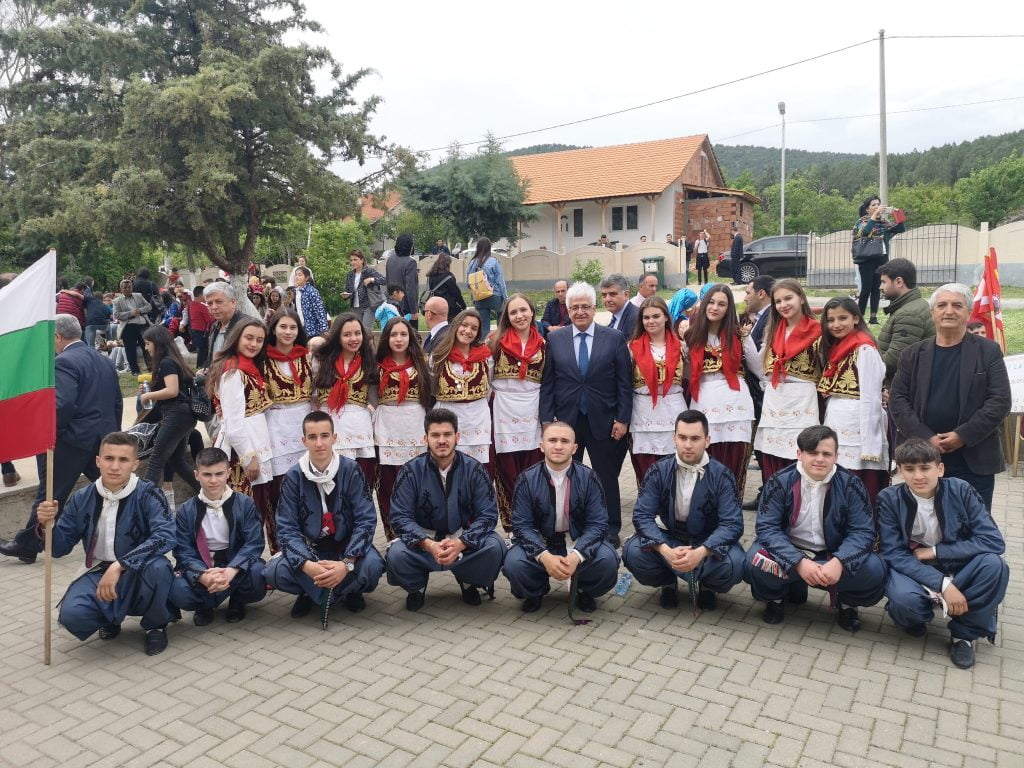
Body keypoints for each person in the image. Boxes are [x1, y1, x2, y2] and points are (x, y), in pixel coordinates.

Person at [34, 431, 175, 655]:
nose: (115, 466)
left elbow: (165, 535)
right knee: (72, 615)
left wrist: (120, 565)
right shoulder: (82, 497)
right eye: (109, 458)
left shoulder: (149, 494)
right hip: (98, 569)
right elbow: (60, 548)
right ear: (98, 461)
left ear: (135, 464)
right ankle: (110, 618)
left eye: (123, 460)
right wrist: (47, 525)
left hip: (140, 570)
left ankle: (155, 625)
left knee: (159, 568)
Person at [0, 315, 124, 564]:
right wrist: (113, 435)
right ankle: (135, 528)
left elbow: (62, 405)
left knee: (51, 494)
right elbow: (117, 402)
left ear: (56, 336)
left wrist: (53, 434)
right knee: (114, 488)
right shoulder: (103, 360)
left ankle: (28, 545)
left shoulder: (63, 362)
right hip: (102, 438)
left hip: (72, 440)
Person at [878, 438, 1009, 669]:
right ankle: (914, 616)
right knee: (905, 603)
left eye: (925, 468)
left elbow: (993, 541)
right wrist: (944, 585)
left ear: (940, 469)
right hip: (915, 567)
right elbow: (893, 553)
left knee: (994, 565)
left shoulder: (961, 490)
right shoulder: (889, 498)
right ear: (900, 471)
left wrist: (935, 551)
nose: (918, 476)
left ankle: (964, 635)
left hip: (958, 563)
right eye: (909, 469)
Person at [743, 425, 886, 630]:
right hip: (791, 551)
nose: (820, 459)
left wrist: (840, 562)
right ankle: (776, 598)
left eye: (826, 454)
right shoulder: (779, 481)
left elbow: (863, 532)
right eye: (812, 452)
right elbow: (767, 529)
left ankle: (847, 604)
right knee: (755, 560)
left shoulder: (852, 485)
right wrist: (798, 562)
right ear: (799, 454)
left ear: (836, 456)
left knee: (874, 569)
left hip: (832, 554)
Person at [889, 283, 1011, 510]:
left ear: (968, 312)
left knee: (972, 521)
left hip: (973, 457)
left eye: (957, 305)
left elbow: (1000, 401)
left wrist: (962, 435)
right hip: (922, 458)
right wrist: (926, 438)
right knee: (923, 519)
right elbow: (898, 400)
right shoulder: (912, 354)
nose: (949, 311)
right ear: (932, 312)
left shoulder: (988, 351)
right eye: (942, 305)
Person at [266, 411, 385, 619]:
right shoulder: (293, 476)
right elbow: (286, 528)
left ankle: (340, 590)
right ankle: (311, 591)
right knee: (273, 571)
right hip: (310, 550)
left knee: (373, 566)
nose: (319, 443)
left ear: (334, 438)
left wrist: (346, 563)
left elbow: (366, 520)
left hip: (345, 548)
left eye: (324, 436)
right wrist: (307, 565)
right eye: (312, 437)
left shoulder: (351, 470)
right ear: (304, 441)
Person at [539, 282, 633, 546]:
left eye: (585, 307)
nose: (580, 312)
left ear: (594, 308)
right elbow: (548, 383)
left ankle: (611, 528)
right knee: (566, 477)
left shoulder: (613, 338)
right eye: (574, 307)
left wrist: (623, 419)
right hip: (566, 421)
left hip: (604, 420)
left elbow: (624, 383)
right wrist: (547, 420)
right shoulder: (555, 339)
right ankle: (570, 526)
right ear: (568, 310)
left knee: (606, 477)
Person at [385, 408, 506, 611]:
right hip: (423, 541)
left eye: (447, 434)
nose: (441, 440)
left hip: (462, 539)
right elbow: (399, 517)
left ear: (457, 436)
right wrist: (428, 545)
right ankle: (417, 587)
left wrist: (461, 543)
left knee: (495, 547)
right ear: (426, 438)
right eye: (435, 435)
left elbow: (488, 514)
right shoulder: (410, 471)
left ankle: (468, 581)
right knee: (396, 554)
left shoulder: (474, 469)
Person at [623, 411, 745, 611]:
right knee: (633, 552)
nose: (688, 445)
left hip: (706, 539)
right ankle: (668, 582)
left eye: (695, 438)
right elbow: (642, 516)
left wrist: (701, 552)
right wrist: (665, 550)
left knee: (736, 563)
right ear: (674, 439)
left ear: (707, 440)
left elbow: (733, 524)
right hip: (669, 537)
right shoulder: (658, 470)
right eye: (682, 438)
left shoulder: (723, 475)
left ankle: (708, 586)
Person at [502, 421, 619, 614]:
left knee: (608, 560)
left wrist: (577, 556)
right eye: (552, 440)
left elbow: (598, 525)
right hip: (541, 541)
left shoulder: (589, 478)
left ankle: (583, 590)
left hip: (577, 540)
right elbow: (521, 526)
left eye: (565, 441)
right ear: (542, 446)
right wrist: (544, 556)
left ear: (574, 448)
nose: (558, 446)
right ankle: (535, 590)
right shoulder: (526, 479)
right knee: (514, 563)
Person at [170, 447, 267, 626]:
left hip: (235, 562)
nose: (213, 480)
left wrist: (231, 570)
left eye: (219, 474)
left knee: (258, 574)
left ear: (228, 473)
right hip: (204, 564)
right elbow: (183, 551)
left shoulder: (245, 503)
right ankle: (205, 604)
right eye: (207, 475)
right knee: (177, 590)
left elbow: (254, 542)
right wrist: (202, 575)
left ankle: (237, 600)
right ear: (197, 475)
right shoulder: (186, 510)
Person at [745, 279, 822, 481]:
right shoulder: (773, 330)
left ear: (801, 298)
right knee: (773, 457)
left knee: (801, 454)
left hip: (803, 401)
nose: (783, 305)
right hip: (775, 400)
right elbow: (762, 366)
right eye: (778, 301)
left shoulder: (818, 331)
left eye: (788, 298)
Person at [684, 284, 756, 496]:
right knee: (704, 463)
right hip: (704, 401)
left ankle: (731, 509)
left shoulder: (741, 336)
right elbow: (686, 373)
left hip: (736, 404)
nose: (715, 308)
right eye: (712, 302)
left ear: (728, 308)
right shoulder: (691, 336)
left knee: (734, 463)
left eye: (722, 304)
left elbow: (759, 370)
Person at [817, 298, 889, 506]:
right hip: (838, 418)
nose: (836, 325)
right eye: (830, 320)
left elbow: (871, 397)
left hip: (858, 423)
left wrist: (870, 443)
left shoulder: (864, 348)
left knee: (858, 482)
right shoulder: (838, 347)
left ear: (856, 318)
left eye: (842, 318)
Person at [205, 318, 274, 536]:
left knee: (256, 510)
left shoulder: (248, 367)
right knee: (245, 513)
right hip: (242, 451)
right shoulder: (233, 372)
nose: (254, 344)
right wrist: (248, 457)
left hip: (255, 443)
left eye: (259, 340)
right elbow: (234, 423)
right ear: (237, 338)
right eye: (249, 338)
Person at [490, 294, 546, 531]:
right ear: (507, 317)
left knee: (533, 470)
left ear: (532, 311)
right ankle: (512, 527)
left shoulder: (544, 344)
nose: (519, 316)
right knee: (507, 471)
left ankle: (534, 525)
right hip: (503, 410)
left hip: (533, 409)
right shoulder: (495, 343)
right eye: (513, 312)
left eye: (523, 310)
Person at [374, 317, 432, 539]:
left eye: (403, 334)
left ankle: (420, 534)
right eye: (393, 335)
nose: (398, 339)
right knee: (388, 485)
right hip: (387, 428)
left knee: (417, 482)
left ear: (410, 338)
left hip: (416, 427)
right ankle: (393, 536)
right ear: (386, 338)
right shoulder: (376, 367)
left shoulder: (421, 364)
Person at [263, 307, 313, 546]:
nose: (288, 332)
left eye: (293, 327)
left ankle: (311, 544)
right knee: (279, 490)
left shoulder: (308, 357)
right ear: (273, 329)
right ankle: (280, 547)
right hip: (276, 429)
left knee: (308, 488)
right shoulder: (262, 360)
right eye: (283, 326)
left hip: (304, 427)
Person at [312, 313, 378, 488]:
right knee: (330, 483)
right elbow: (311, 394)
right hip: (330, 424)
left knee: (360, 482)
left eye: (357, 333)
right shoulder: (321, 360)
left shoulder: (369, 361)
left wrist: (368, 413)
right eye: (347, 334)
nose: (354, 339)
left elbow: (374, 397)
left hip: (359, 427)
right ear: (337, 336)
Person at [139, 325, 201, 507]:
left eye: (148, 343)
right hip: (182, 416)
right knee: (177, 461)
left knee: (156, 460)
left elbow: (172, 390)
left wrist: (148, 396)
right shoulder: (173, 361)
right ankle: (209, 494)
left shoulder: (166, 363)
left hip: (176, 416)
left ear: (157, 343)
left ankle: (141, 504)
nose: (146, 348)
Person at [627, 296, 686, 485]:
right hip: (643, 411)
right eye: (646, 317)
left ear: (666, 317)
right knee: (647, 468)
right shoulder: (632, 348)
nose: (651, 321)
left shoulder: (681, 347)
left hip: (674, 408)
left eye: (656, 316)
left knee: (676, 465)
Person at [431, 308, 493, 468]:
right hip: (448, 417)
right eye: (464, 325)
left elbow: (489, 386)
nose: (468, 331)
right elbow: (431, 389)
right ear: (456, 325)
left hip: (477, 418)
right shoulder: (438, 356)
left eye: (474, 328)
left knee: (477, 467)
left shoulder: (485, 357)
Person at [740, 276, 775, 510]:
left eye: (748, 292)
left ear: (761, 293)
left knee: (764, 448)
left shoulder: (771, 317)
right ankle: (766, 492)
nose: (745, 297)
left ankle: (769, 494)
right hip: (759, 392)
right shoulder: (760, 317)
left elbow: (762, 363)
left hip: (763, 392)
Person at [875, 259, 934, 385]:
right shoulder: (913, 305)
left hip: (903, 385)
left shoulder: (909, 314)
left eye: (883, 282)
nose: (880, 287)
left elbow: (895, 359)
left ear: (899, 282)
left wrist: (867, 368)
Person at [852, 195, 906, 324]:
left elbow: (901, 229)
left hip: (881, 258)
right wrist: (875, 215)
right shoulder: (862, 221)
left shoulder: (883, 222)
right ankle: (860, 316)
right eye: (873, 205)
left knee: (877, 288)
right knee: (866, 289)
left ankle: (873, 317)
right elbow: (865, 232)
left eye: (878, 204)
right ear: (867, 209)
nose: (877, 206)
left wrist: (897, 214)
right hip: (866, 259)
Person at [466, 237, 508, 336]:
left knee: (483, 326)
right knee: (501, 315)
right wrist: (506, 298)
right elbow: (500, 282)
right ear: (489, 248)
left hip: (479, 297)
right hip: (494, 296)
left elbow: (468, 284)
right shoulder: (494, 261)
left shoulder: (472, 263)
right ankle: (500, 338)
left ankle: (484, 343)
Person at [112, 279, 152, 375]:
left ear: (132, 288)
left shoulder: (139, 296)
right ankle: (135, 370)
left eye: (129, 287)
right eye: (124, 288)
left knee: (147, 347)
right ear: (121, 289)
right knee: (130, 349)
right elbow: (116, 315)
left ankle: (151, 367)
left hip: (142, 325)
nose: (127, 289)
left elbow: (149, 306)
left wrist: (140, 310)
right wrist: (130, 313)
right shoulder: (117, 301)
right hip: (128, 326)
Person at [343, 249, 386, 332]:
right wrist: (345, 295)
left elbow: (384, 280)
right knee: (357, 331)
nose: (352, 262)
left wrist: (372, 279)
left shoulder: (369, 271)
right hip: (355, 308)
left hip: (368, 306)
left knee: (366, 331)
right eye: (351, 260)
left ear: (362, 260)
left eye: (355, 260)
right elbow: (347, 290)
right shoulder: (350, 275)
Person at [204, 282, 247, 364]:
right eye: (210, 303)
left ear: (233, 303)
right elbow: (211, 357)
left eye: (219, 302)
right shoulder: (215, 326)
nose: (214, 307)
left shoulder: (246, 326)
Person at [385, 233, 420, 323]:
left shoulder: (390, 260)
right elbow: (410, 289)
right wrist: (414, 311)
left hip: (392, 304)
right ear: (410, 247)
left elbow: (388, 281)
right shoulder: (411, 262)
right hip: (406, 308)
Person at [425, 252, 466, 319]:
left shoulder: (430, 276)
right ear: (447, 265)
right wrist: (463, 306)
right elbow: (456, 293)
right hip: (449, 308)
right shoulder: (449, 277)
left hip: (434, 307)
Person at [293, 266, 329, 338]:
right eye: (296, 275)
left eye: (300, 275)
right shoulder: (297, 291)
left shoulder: (312, 291)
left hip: (313, 329)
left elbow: (319, 310)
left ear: (306, 278)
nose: (297, 277)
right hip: (301, 326)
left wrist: (324, 328)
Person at [187, 285, 215, 368]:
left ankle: (199, 365)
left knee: (200, 349)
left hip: (193, 329)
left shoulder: (190, 305)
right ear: (201, 295)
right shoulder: (202, 307)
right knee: (203, 350)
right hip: (202, 330)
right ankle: (201, 366)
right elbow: (209, 320)